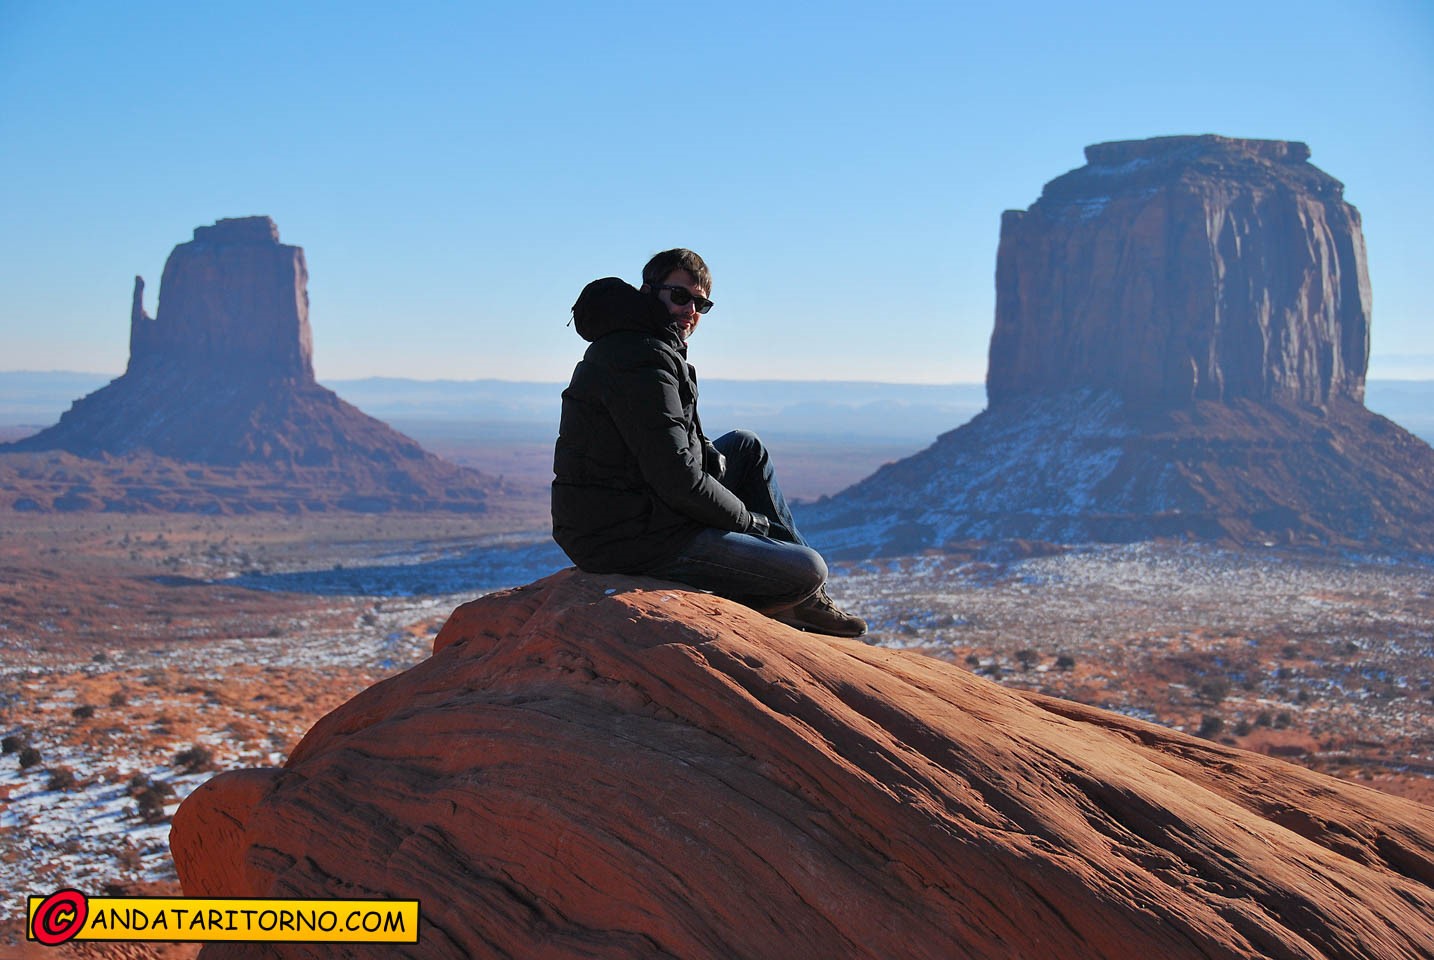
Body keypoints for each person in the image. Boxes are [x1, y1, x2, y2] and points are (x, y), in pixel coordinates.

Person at [551, 248, 867, 638]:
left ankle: (804, 598)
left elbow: (673, 444)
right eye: (681, 297)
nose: (691, 310)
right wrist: (748, 522)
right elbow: (676, 479)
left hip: (643, 506)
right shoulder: (639, 359)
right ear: (649, 291)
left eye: (701, 303)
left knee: (745, 448)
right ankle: (795, 591)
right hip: (624, 535)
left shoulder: (652, 346)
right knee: (806, 568)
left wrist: (710, 457)